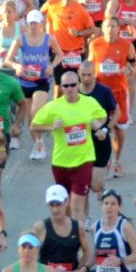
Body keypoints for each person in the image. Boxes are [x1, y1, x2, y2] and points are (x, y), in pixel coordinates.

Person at [30, 71, 108, 221]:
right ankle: (70, 235)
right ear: (61, 88)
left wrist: (98, 124)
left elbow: (102, 115)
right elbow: (34, 126)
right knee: (65, 205)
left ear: (78, 85)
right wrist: (51, 127)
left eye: (73, 84)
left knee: (77, 206)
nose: (70, 88)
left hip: (84, 160)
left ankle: (79, 239)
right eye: (66, 86)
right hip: (61, 162)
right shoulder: (53, 106)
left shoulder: (89, 102)